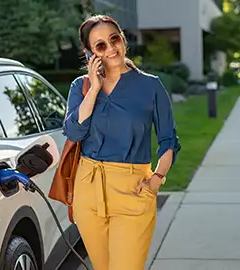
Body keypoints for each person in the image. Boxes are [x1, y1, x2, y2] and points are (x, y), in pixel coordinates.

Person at [63, 14, 181, 270]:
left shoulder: (151, 87)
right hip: (88, 188)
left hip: (134, 189)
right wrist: (94, 89)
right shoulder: (81, 87)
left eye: (114, 38)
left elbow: (168, 141)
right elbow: (73, 132)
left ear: (123, 39)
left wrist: (157, 179)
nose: (111, 48)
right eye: (100, 45)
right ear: (90, 53)